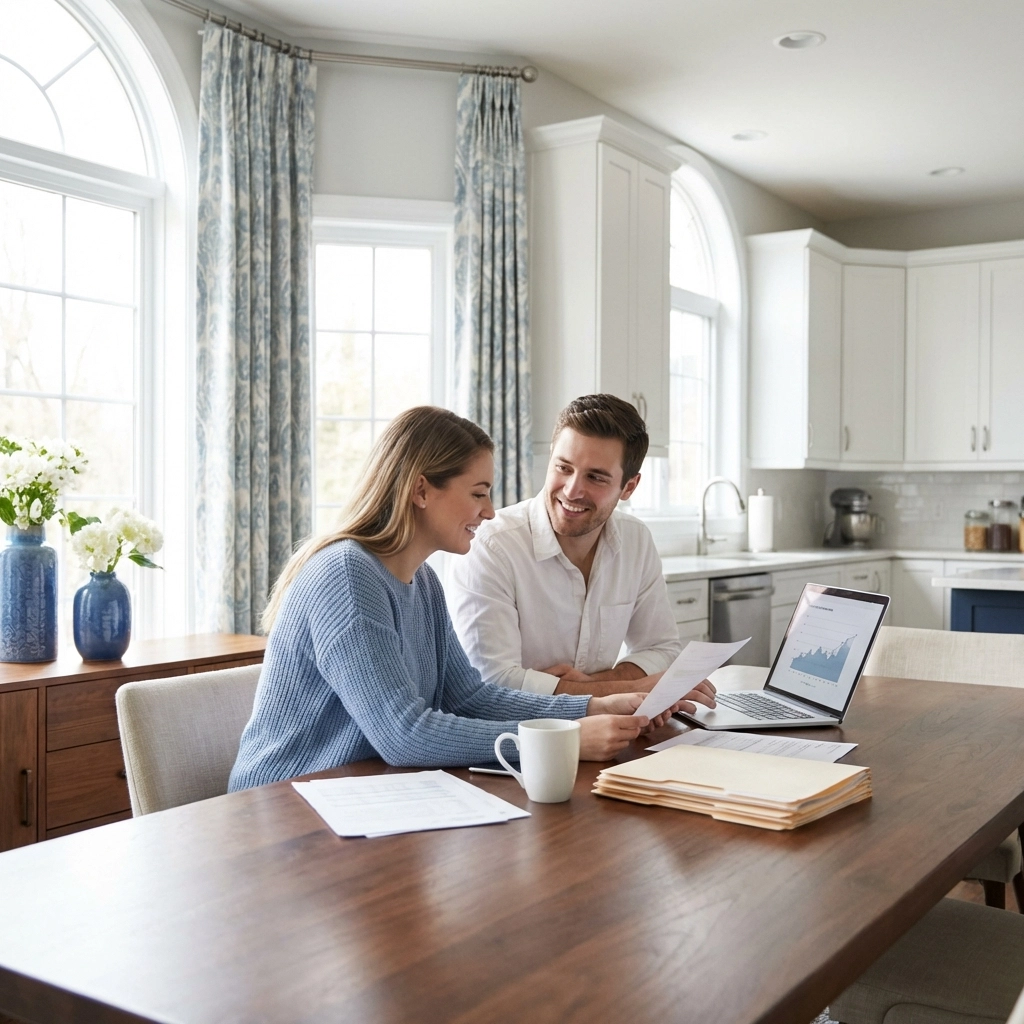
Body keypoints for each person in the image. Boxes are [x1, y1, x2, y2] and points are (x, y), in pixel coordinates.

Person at [229, 406, 690, 793]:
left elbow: (468, 696)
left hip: (361, 792)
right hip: (283, 803)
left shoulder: (423, 582)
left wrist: (595, 707)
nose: (489, 511)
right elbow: (403, 736)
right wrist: (563, 737)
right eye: (478, 493)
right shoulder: (347, 575)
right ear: (422, 489)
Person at [448, 394, 716, 710]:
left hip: (608, 727)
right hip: (517, 740)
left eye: (595, 477)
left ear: (629, 487)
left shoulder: (635, 540)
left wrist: (590, 686)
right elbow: (493, 682)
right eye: (563, 467)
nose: (572, 490)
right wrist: (631, 687)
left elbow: (662, 648)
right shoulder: (493, 545)